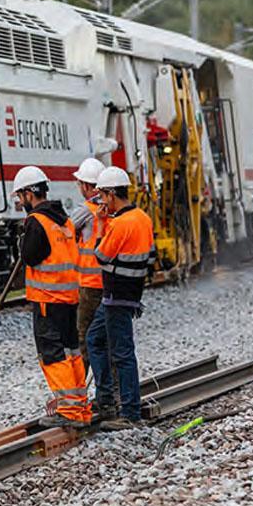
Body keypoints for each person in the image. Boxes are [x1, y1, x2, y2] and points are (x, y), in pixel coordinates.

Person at [13, 166, 92, 429]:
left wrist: (22, 240)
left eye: (20, 196)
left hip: (48, 299)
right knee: (72, 352)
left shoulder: (36, 222)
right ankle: (81, 408)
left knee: (53, 355)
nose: (19, 202)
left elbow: (30, 256)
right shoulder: (65, 219)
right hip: (69, 298)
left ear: (28, 194)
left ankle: (69, 410)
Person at [87, 166, 156, 431]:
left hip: (116, 295)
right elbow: (150, 257)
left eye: (103, 195)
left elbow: (101, 256)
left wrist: (103, 225)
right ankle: (106, 398)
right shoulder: (143, 218)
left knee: (123, 354)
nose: (101, 201)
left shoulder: (119, 224)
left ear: (113, 194)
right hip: (130, 293)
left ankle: (129, 412)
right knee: (95, 338)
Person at [68, 158, 107, 377]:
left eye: (80, 183)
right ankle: (112, 390)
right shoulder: (110, 208)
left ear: (87, 186)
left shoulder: (86, 210)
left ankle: (77, 394)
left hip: (90, 284)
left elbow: (64, 233)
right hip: (109, 281)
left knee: (84, 338)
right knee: (107, 339)